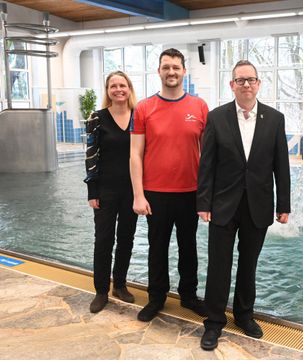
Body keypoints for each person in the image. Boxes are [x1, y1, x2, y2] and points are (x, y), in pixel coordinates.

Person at [197, 60, 291, 350]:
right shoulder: (217, 117)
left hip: (258, 205)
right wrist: (203, 202)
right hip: (223, 204)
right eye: (240, 80)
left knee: (248, 265)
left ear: (259, 84)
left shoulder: (275, 119)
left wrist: (283, 204)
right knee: (219, 266)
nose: (246, 84)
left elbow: (281, 166)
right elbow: (207, 165)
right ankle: (214, 323)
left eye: (251, 80)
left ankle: (243, 315)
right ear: (232, 85)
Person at [130, 48, 208, 322]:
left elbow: (208, 156)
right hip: (156, 193)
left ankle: (188, 296)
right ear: (159, 71)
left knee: (189, 247)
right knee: (157, 246)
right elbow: (135, 154)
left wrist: (207, 196)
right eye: (166, 67)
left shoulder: (199, 107)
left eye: (176, 67)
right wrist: (138, 195)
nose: (171, 72)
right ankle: (156, 298)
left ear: (184, 71)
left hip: (190, 192)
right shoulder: (143, 108)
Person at [84, 70, 138, 313]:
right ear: (107, 91)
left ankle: (120, 284)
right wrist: (92, 191)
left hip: (132, 190)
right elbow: (91, 156)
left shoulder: (139, 117)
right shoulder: (98, 117)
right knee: (104, 240)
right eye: (113, 86)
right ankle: (101, 291)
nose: (118, 89)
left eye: (122, 85)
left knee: (126, 238)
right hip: (105, 191)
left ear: (129, 89)